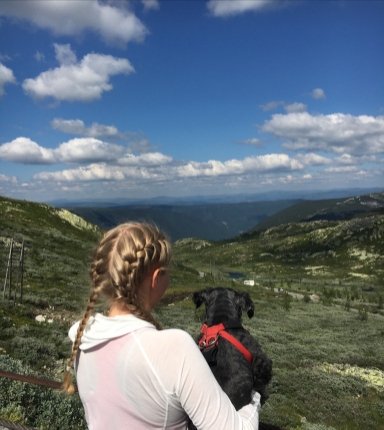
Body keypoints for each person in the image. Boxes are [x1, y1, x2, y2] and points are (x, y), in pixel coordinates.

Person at [63, 221, 261, 429]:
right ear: (156, 278)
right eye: (167, 271)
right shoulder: (174, 348)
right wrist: (254, 398)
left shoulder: (83, 336)